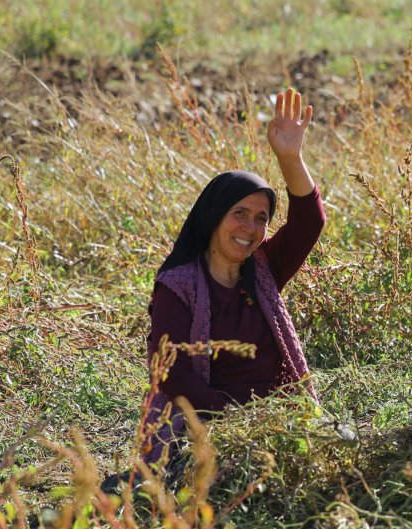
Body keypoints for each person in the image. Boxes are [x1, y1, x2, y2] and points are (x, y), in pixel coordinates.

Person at [136, 88, 327, 476]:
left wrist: (290, 157)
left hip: (276, 426)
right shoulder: (179, 286)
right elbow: (170, 371)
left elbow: (310, 222)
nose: (250, 228)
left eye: (261, 218)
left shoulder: (264, 268)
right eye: (239, 213)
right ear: (213, 217)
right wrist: (236, 424)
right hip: (204, 431)